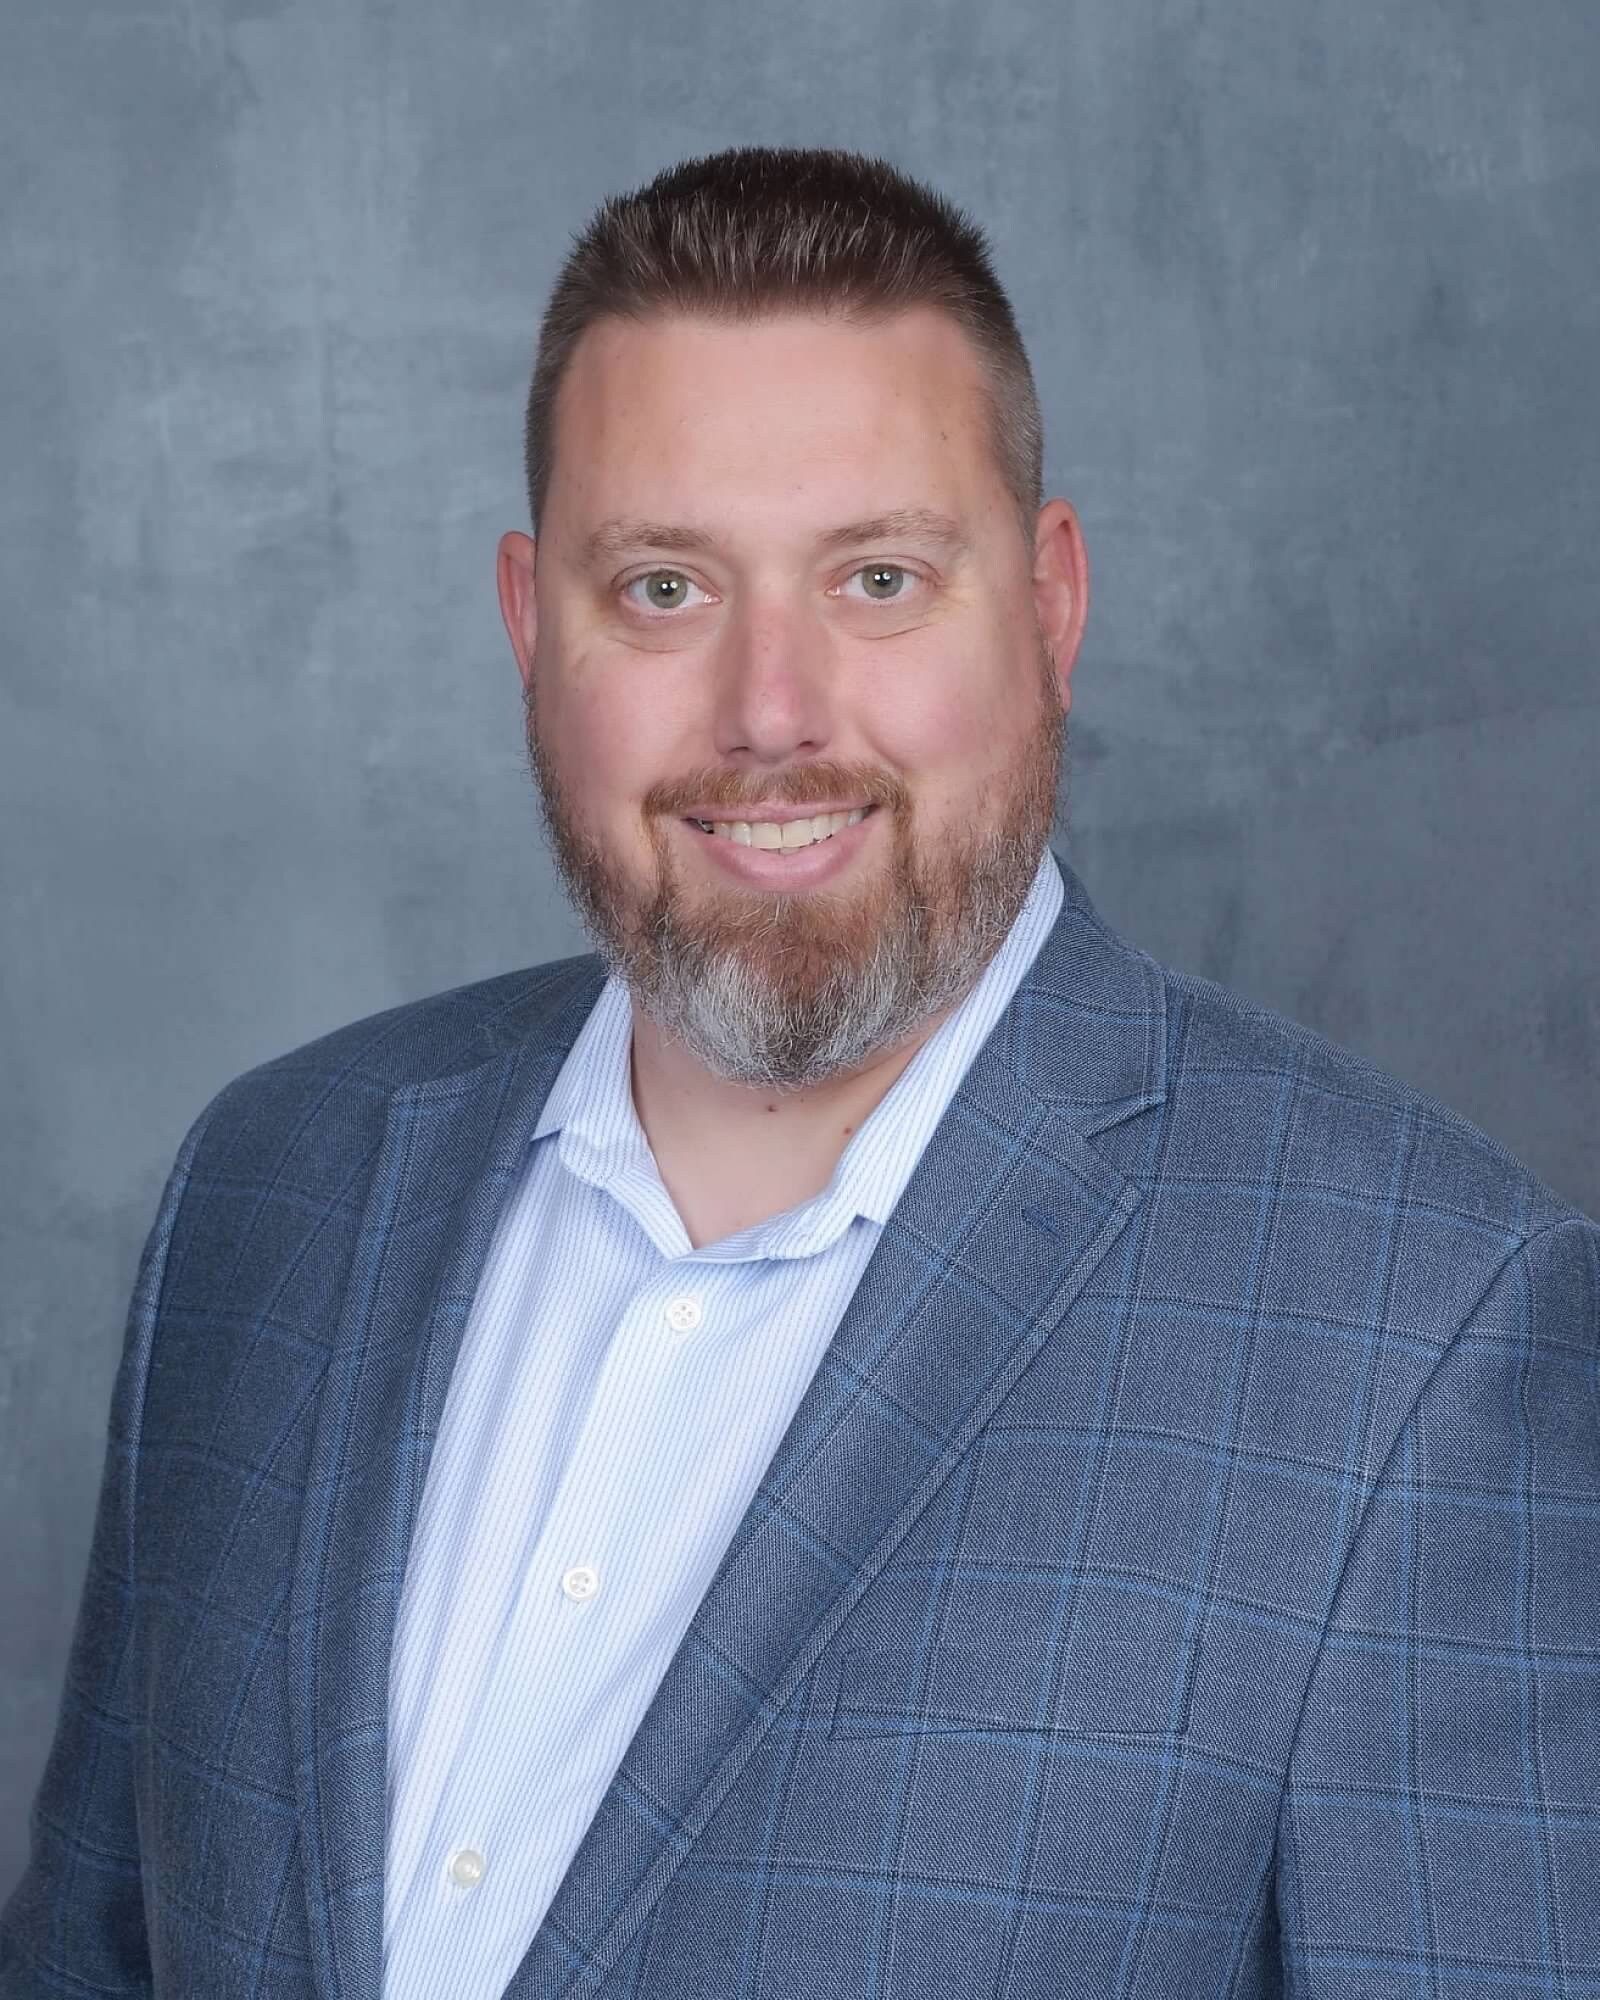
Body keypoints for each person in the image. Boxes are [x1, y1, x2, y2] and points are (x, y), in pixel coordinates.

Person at [3, 143, 1595, 2000]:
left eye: (882, 578)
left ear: (1052, 603)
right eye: (666, 587)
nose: (772, 710)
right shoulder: (268, 1195)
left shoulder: (1422, 1333)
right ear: (533, 627)